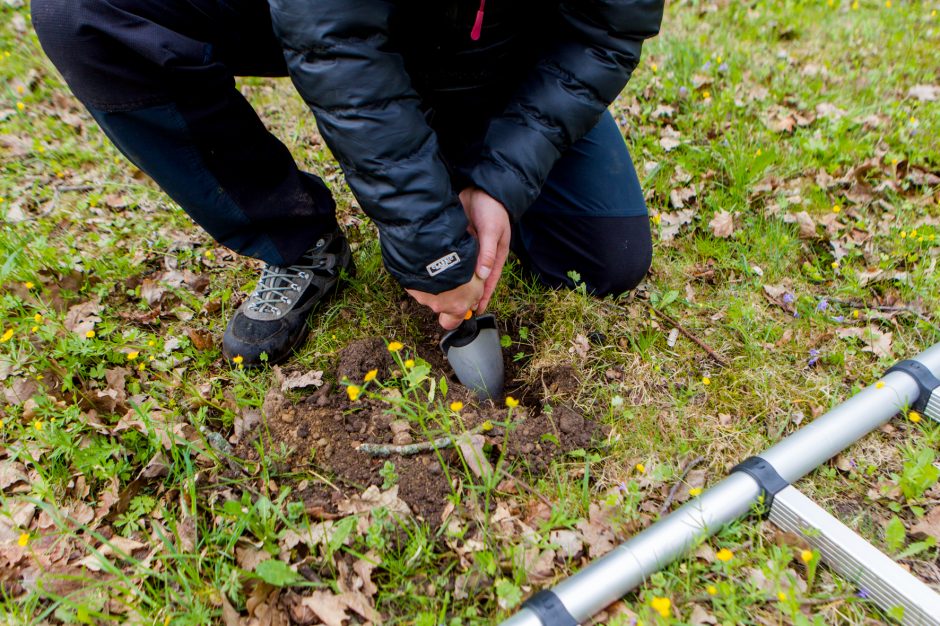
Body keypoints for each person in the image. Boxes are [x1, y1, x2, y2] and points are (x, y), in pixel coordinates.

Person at [32, 0, 664, 367]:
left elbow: (606, 31)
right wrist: (434, 249)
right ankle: (295, 241)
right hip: (322, 14)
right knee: (85, 11)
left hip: (496, 47)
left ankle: (450, 134)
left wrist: (500, 181)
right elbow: (334, 40)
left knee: (605, 260)